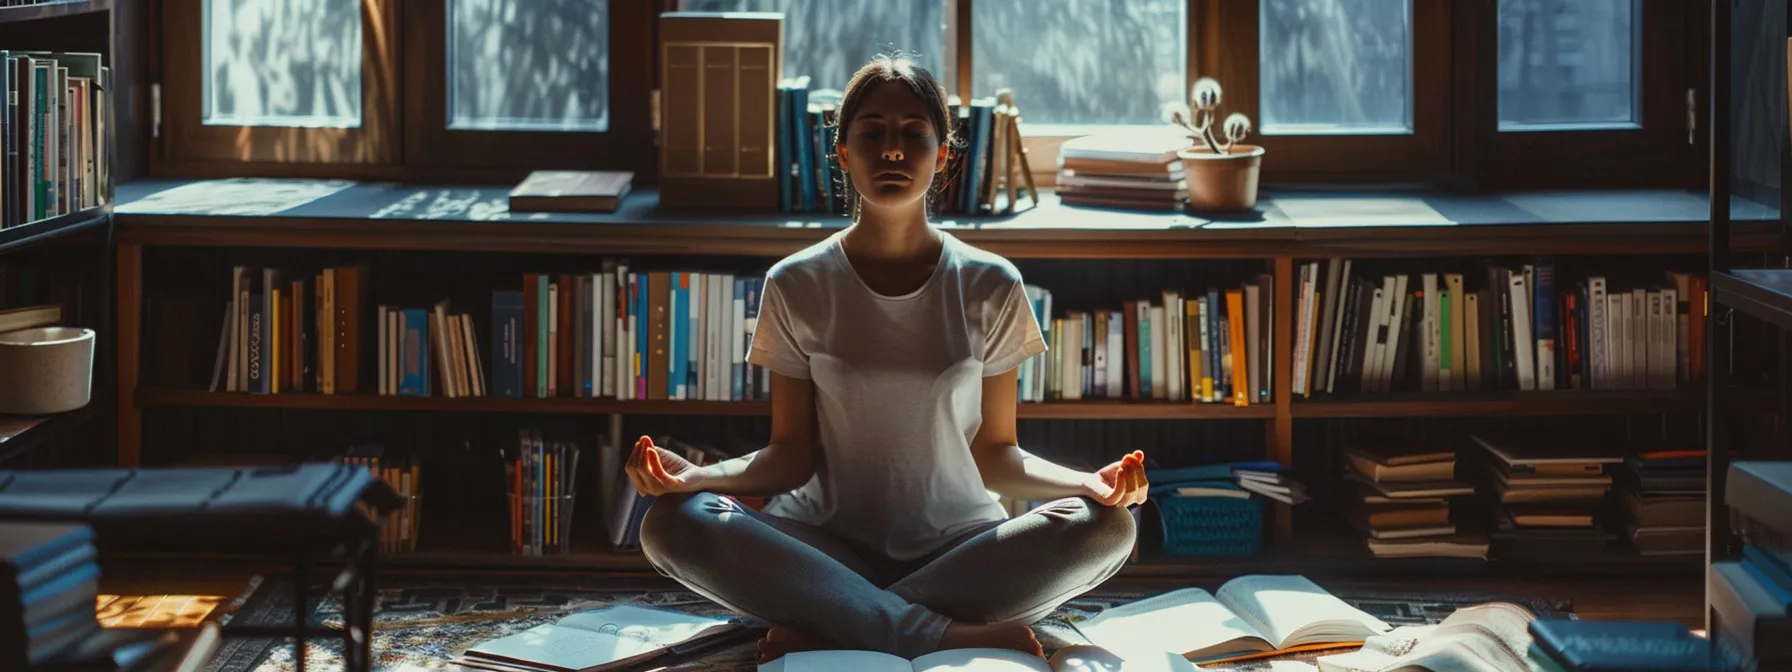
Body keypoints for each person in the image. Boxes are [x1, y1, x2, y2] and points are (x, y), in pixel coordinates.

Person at [630, 54, 1150, 664]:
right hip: (822, 546)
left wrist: (1087, 483)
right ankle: (926, 629)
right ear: (844, 152)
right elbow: (789, 455)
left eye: (913, 134)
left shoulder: (991, 284)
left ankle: (837, 618)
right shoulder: (796, 283)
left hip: (960, 549)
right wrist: (698, 479)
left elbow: (996, 455)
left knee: (1109, 528)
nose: (894, 151)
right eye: (872, 133)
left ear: (944, 155)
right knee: (671, 523)